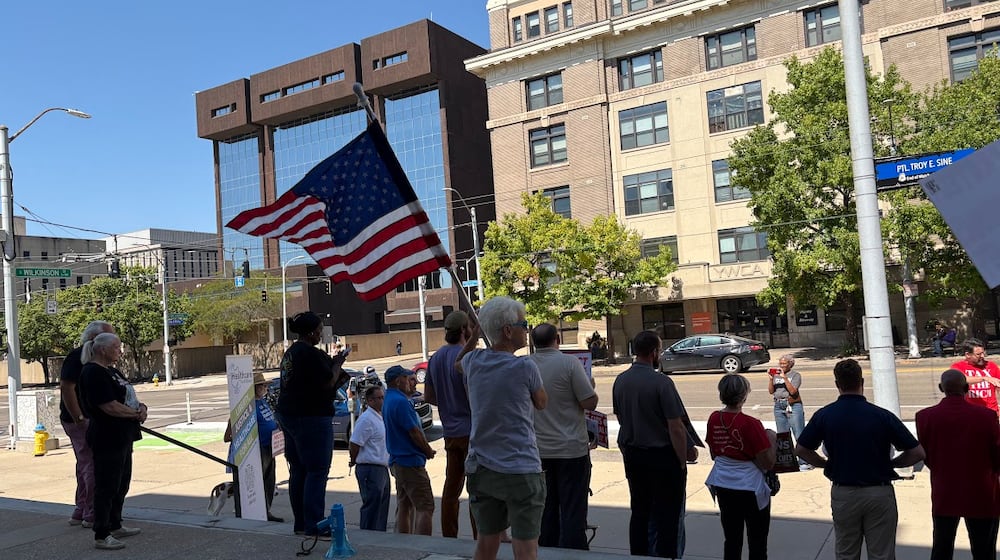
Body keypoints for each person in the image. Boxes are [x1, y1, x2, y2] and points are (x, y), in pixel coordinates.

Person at [795, 359, 926, 560]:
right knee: (881, 553)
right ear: (862, 381)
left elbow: (802, 449)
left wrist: (826, 464)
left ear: (837, 384)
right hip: (879, 492)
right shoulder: (882, 416)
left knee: (847, 552)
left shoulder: (825, 415)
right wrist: (892, 463)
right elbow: (917, 453)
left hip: (844, 492)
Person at [458, 296, 547, 560]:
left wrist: (475, 334)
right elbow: (541, 403)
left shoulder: (473, 362)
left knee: (486, 542)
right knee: (525, 548)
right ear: (508, 331)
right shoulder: (525, 366)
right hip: (521, 469)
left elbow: (457, 363)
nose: (526, 329)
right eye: (523, 324)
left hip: (481, 468)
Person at [613, 330, 691, 558]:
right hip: (662, 457)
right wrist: (681, 460)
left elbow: (621, 419)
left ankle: (638, 554)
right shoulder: (662, 382)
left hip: (634, 456)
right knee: (668, 515)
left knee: (639, 511)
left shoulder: (620, 380)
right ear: (654, 352)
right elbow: (675, 427)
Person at [276, 311, 351, 538]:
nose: (321, 333)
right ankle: (315, 524)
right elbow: (328, 382)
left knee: (298, 469)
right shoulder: (310, 354)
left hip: (289, 416)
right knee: (317, 471)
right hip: (311, 417)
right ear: (310, 332)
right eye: (319, 330)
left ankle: (301, 523)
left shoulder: (291, 353)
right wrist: (337, 363)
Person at [916, 369, 1000, 560]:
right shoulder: (986, 416)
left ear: (941, 388)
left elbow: (926, 455)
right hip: (982, 491)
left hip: (945, 490)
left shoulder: (925, 417)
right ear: (967, 388)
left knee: (942, 548)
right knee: (984, 550)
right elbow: (997, 453)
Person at [529, 323, 598, 550]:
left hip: (538, 452)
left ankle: (548, 551)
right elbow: (589, 401)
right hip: (571, 450)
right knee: (573, 510)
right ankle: (573, 552)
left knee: (545, 509)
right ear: (557, 340)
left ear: (532, 342)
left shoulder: (524, 365)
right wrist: (591, 386)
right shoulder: (569, 363)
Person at [78, 333, 147, 551]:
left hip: (124, 435)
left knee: (121, 483)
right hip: (106, 435)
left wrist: (141, 408)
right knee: (106, 485)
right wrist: (133, 414)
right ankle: (101, 532)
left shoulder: (112, 371)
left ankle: (115, 524)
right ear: (103, 349)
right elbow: (108, 406)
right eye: (116, 347)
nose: (120, 350)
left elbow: (125, 397)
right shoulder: (92, 372)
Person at [705, 374, 776, 560]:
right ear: (744, 395)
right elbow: (767, 463)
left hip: (723, 484)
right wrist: (772, 440)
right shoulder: (752, 424)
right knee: (757, 541)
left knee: (732, 540)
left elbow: (714, 454)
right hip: (750, 487)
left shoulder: (714, 419)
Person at [424, 310, 476, 538]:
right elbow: (475, 393)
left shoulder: (435, 358)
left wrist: (446, 403)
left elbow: (428, 396)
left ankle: (449, 535)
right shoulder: (467, 358)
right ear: (465, 330)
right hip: (472, 431)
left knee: (451, 489)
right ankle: (480, 536)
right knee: (477, 489)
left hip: (450, 432)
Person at [59, 320, 115, 529]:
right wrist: (79, 418)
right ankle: (91, 512)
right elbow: (67, 388)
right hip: (80, 420)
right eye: (109, 338)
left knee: (84, 464)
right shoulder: (78, 357)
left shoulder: (91, 358)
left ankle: (81, 509)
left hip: (84, 418)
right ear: (95, 340)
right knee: (91, 465)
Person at [382, 365, 436, 535]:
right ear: (398, 381)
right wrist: (428, 450)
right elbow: (414, 432)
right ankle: (422, 547)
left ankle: (404, 543)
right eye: (407, 378)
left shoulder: (389, 399)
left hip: (398, 461)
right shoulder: (400, 402)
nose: (411, 382)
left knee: (405, 505)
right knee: (425, 506)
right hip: (410, 461)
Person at [224, 372, 282, 522]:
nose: (265, 388)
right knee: (259, 481)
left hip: (270, 446)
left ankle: (266, 509)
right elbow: (231, 432)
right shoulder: (247, 406)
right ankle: (259, 510)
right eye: (262, 385)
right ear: (254, 388)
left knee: (269, 480)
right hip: (257, 449)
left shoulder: (262, 402)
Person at [348, 386, 391, 531]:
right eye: (379, 398)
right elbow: (354, 443)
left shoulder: (379, 416)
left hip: (382, 467)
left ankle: (378, 536)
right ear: (370, 400)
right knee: (371, 506)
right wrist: (353, 460)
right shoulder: (366, 419)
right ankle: (367, 537)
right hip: (370, 468)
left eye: (383, 397)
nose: (382, 400)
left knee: (381, 507)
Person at [768, 353, 809, 470]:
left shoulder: (795, 375)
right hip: (778, 405)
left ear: (790, 364)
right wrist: (771, 379)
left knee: (798, 433)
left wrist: (784, 378)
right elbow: (771, 391)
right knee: (783, 436)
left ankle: (804, 461)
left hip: (792, 405)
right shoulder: (776, 376)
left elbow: (793, 392)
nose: (781, 365)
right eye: (780, 363)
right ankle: (787, 462)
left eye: (784, 363)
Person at [950, 338, 1000, 417]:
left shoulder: (992, 366)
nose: (982, 356)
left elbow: (998, 387)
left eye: (983, 353)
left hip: (991, 412)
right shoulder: (958, 367)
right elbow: (962, 379)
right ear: (968, 355)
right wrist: (984, 378)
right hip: (969, 414)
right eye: (978, 354)